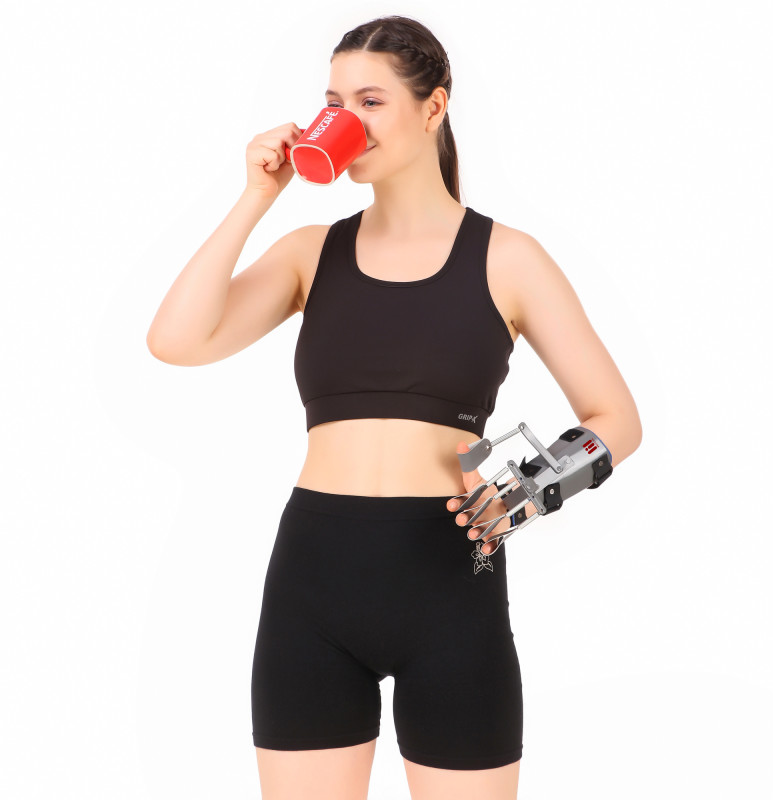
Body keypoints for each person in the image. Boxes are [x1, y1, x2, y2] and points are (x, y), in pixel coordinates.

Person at [146, 14, 642, 800]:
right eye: (333, 103)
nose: (345, 121)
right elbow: (177, 340)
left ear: (434, 107)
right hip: (313, 581)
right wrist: (256, 197)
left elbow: (617, 417)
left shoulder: (509, 258)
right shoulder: (311, 253)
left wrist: (527, 492)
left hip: (452, 580)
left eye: (370, 101)